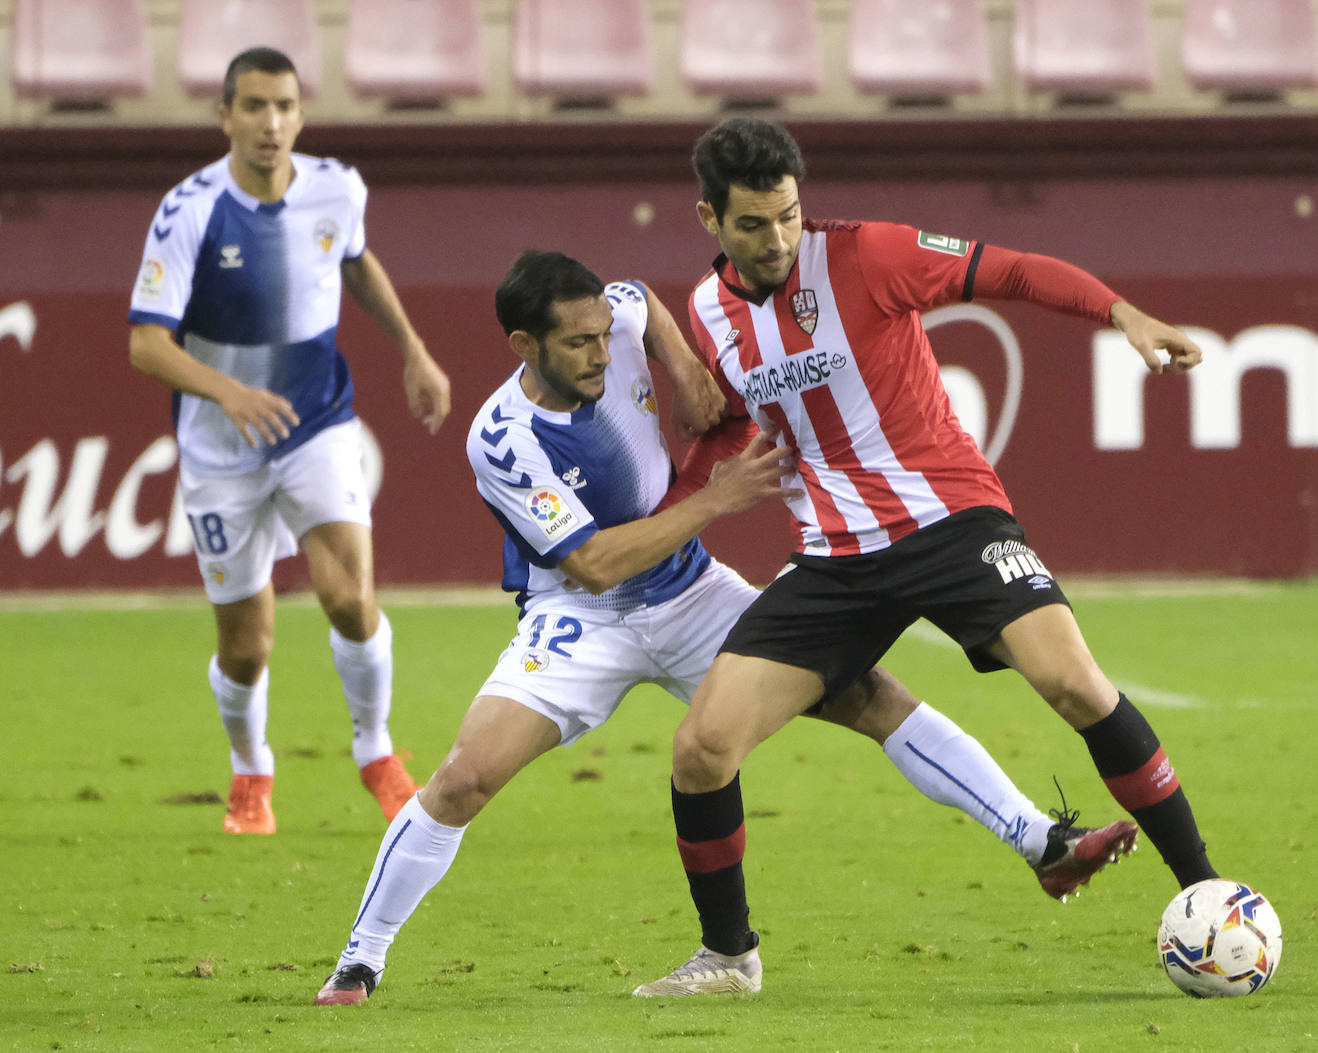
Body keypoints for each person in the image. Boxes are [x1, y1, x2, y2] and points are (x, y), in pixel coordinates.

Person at [311, 250, 1135, 1006]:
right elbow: (596, 562)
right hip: (580, 618)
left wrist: (687, 370)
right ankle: (361, 957)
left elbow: (645, 304)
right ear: (524, 344)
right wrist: (716, 498)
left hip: (692, 592)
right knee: (462, 778)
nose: (602, 353)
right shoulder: (502, 438)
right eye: (578, 345)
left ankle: (1041, 842)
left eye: (604, 335)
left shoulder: (621, 313)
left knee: (870, 696)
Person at [634, 117, 1220, 997]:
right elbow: (731, 431)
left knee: (1072, 683)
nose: (779, 238)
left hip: (951, 518)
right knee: (701, 749)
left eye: (789, 216)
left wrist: (1122, 313)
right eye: (753, 224)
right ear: (709, 219)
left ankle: (1207, 896)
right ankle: (729, 956)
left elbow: (1011, 270)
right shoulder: (709, 315)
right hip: (834, 555)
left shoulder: (871, 254)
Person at [126, 48, 450, 834]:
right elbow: (145, 343)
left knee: (350, 597)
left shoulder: (336, 187)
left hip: (315, 423)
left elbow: (355, 259)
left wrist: (413, 348)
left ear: (300, 115)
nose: (271, 123)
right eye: (254, 107)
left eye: (284, 107)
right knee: (247, 645)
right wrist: (229, 391)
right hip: (219, 447)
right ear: (225, 116)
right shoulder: (190, 209)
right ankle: (251, 771)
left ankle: (376, 751)